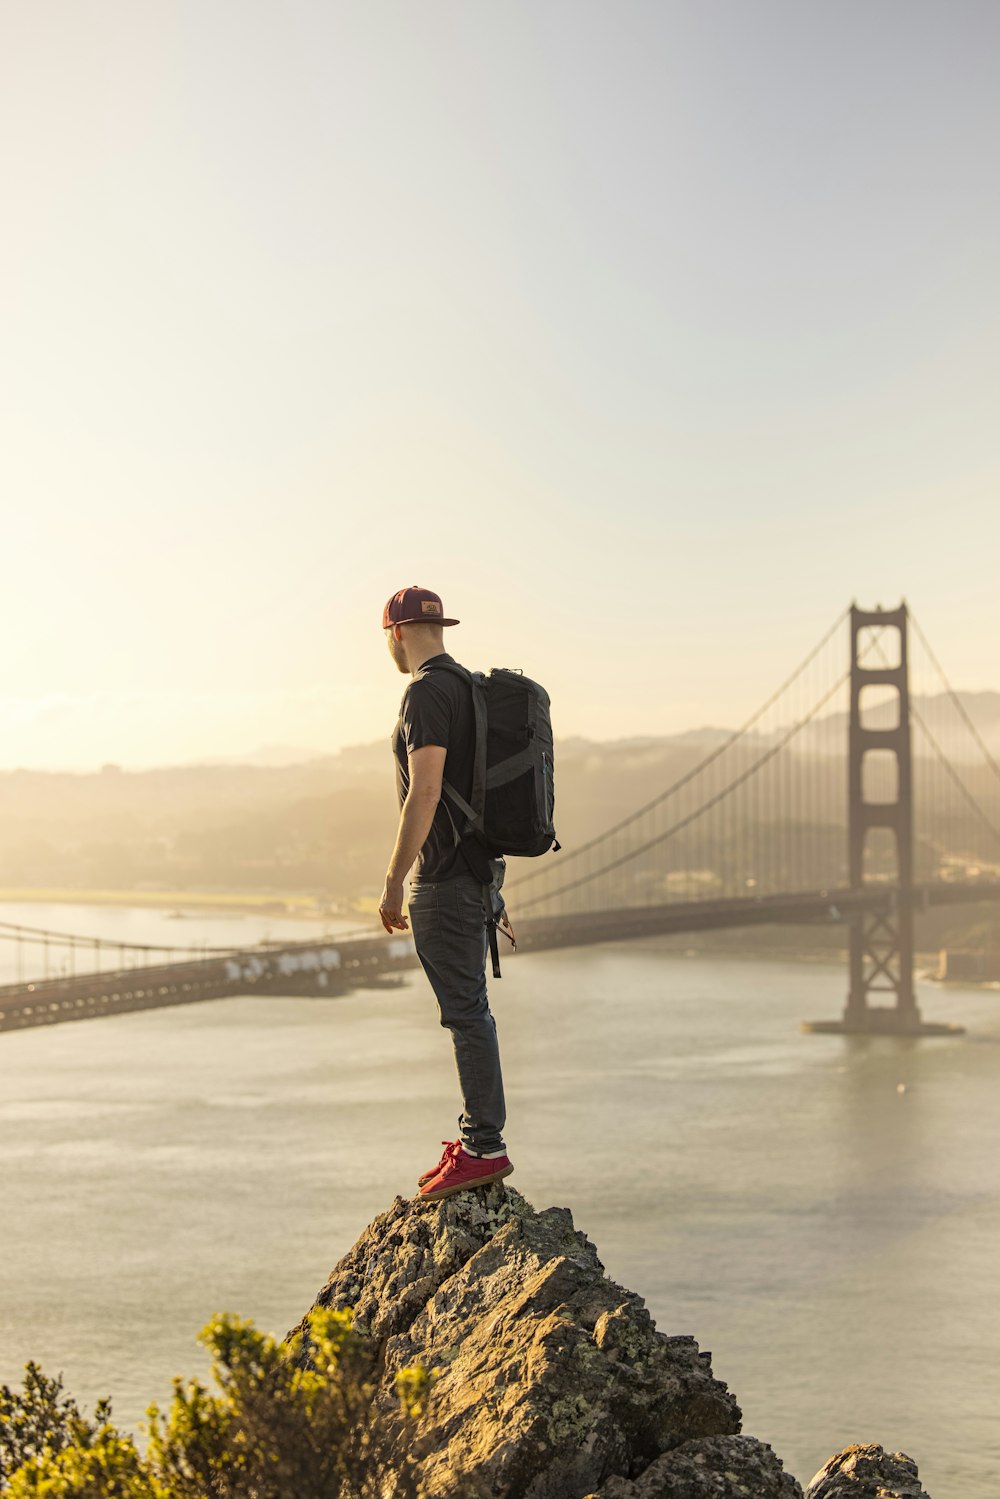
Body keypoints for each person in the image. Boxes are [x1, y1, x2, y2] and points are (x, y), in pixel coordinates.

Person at [378, 584, 513, 1203]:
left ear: (398, 634)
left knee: (464, 1014)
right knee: (471, 1011)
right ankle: (478, 1138)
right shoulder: (472, 689)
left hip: (445, 877)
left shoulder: (426, 692)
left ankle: (485, 1147)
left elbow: (425, 793)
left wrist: (392, 880)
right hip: (478, 870)